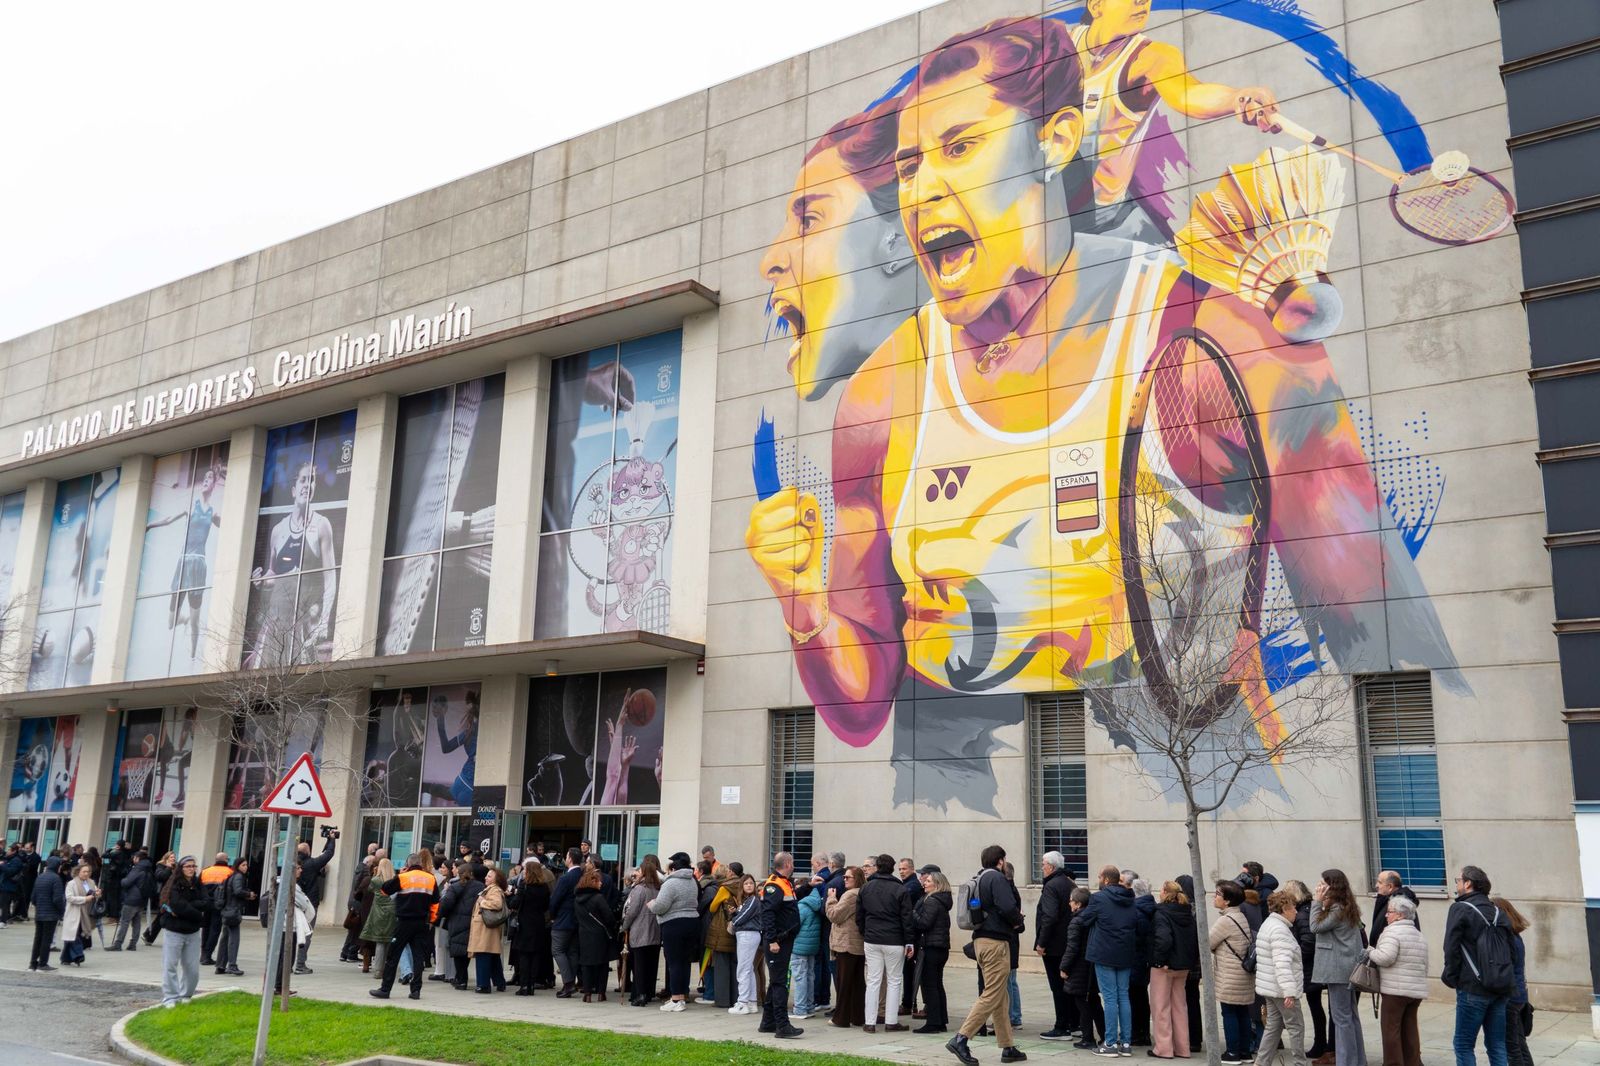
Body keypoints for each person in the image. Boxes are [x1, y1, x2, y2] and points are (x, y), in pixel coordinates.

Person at [948, 844, 1027, 1066]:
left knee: (1001, 996)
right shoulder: (997, 878)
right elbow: (1008, 905)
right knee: (992, 993)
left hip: (982, 941)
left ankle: (1008, 1046)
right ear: (1000, 861)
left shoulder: (981, 877)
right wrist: (1018, 922)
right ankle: (961, 1039)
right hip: (996, 943)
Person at [1442, 866, 1513, 1066]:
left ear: (1468, 884)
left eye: (1458, 880)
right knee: (1497, 1044)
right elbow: (1511, 950)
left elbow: (1451, 948)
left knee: (1463, 1044)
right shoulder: (1498, 911)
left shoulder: (1460, 909)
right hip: (1500, 987)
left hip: (1472, 986)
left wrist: (1452, 977)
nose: (1456, 885)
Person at [1082, 863, 1143, 1057]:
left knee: (1109, 998)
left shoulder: (1098, 898)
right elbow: (1135, 922)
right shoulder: (1130, 899)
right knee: (1123, 996)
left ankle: (1109, 1043)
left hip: (1104, 953)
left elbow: (1084, 920)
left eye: (1100, 877)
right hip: (1125, 953)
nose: (1098, 880)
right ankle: (1125, 1043)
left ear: (1106, 880)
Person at [1310, 870, 1368, 1066]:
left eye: (1323, 883)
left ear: (1331, 886)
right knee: (1350, 1016)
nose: (1319, 886)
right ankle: (1357, 1060)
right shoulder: (1347, 906)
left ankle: (1347, 1062)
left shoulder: (1337, 910)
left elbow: (1315, 927)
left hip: (1338, 969)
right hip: (1347, 968)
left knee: (1341, 1018)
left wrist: (1317, 902)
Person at [1366, 894, 1427, 1066]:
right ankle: (1413, 1063)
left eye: (1390, 912)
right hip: (1415, 991)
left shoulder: (1392, 931)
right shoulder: (1417, 934)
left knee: (1390, 1030)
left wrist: (1370, 951)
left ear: (1400, 915)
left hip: (1395, 991)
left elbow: (1386, 958)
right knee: (1410, 1030)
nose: (1386, 915)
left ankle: (1393, 1063)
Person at [370, 853, 439, 1001]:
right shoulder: (430, 878)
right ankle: (415, 991)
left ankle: (385, 989)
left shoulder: (403, 877)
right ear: (420, 863)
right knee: (418, 957)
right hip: (421, 923)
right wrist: (432, 920)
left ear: (408, 864)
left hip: (404, 922)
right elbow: (435, 904)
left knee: (393, 955)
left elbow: (384, 890)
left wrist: (399, 875)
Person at [859, 853, 913, 1033]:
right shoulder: (900, 889)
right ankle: (891, 1021)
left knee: (873, 980)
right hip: (894, 939)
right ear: (891, 868)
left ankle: (869, 1022)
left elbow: (860, 916)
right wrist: (909, 942)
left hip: (872, 938)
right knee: (894, 980)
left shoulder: (866, 888)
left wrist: (865, 932)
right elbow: (907, 919)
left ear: (878, 867)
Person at [1255, 889, 1309, 1066]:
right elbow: (1282, 963)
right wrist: (1289, 992)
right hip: (1280, 989)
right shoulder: (1280, 931)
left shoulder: (1268, 924)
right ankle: (1299, 1063)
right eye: (1293, 907)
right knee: (1296, 1027)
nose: (1296, 911)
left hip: (1270, 987)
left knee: (1273, 1026)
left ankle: (1262, 1062)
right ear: (1284, 908)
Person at [1149, 880, 1198, 1060]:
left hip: (1165, 966)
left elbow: (1163, 939)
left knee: (1160, 1007)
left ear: (1164, 892)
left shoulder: (1161, 913)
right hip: (1183, 966)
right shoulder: (1188, 913)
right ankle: (1182, 1048)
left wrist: (1158, 960)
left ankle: (1164, 1048)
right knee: (1180, 1007)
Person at [757, 852, 803, 1038]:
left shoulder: (783, 882)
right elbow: (768, 914)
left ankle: (768, 1023)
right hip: (777, 941)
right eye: (792, 862)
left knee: (776, 982)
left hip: (783, 939)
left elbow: (788, 905)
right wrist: (773, 940)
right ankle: (782, 1026)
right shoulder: (774, 886)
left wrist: (807, 886)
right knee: (779, 983)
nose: (793, 865)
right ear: (787, 863)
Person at [1034, 851, 1079, 1041]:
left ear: (1051, 867)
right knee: (1069, 985)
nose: (1042, 867)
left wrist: (1041, 943)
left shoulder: (1052, 886)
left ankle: (1062, 1026)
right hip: (1068, 943)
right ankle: (1075, 1024)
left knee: (1057, 986)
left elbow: (1050, 916)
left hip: (1054, 946)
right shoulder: (1069, 883)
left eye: (1043, 864)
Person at [1209, 881, 1256, 1064]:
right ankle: (1244, 1052)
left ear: (1227, 901)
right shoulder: (1240, 916)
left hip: (1230, 975)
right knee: (1242, 1012)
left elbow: (1208, 942)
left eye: (1218, 894)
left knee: (1228, 1012)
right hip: (1243, 974)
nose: (1215, 897)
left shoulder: (1225, 921)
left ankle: (1232, 1052)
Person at [1283, 879, 1330, 1062]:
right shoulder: (1310, 908)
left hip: (1310, 968)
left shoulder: (1302, 914)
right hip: (1314, 966)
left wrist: (1297, 960)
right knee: (1316, 1006)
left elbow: (1308, 942)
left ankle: (1320, 1044)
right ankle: (1322, 1043)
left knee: (1315, 1006)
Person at [649, 852, 701, 1012]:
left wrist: (652, 904)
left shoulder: (670, 884)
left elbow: (661, 906)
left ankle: (676, 998)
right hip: (692, 922)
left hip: (674, 924)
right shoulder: (692, 880)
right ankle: (682, 996)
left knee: (674, 962)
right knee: (684, 962)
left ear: (673, 868)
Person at [158, 856, 207, 1007]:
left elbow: (207, 902)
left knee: (192, 968)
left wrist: (191, 905)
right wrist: (197, 913)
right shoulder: (174, 884)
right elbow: (178, 905)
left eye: (193, 866)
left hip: (192, 931)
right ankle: (170, 997)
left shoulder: (198, 884)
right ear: (181, 868)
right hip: (175, 930)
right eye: (188, 866)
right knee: (170, 965)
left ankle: (186, 994)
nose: (191, 869)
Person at [1062, 886, 1105, 1050]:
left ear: (1078, 904)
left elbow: (1072, 948)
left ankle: (1087, 1038)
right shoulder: (1094, 919)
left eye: (1071, 901)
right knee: (1094, 1002)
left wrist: (1064, 967)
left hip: (1079, 967)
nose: (1069, 904)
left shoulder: (1076, 921)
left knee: (1082, 1003)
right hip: (1092, 966)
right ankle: (1104, 1035)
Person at [1491, 898, 1532, 1066]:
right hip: (1519, 996)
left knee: (1512, 1047)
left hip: (1510, 997)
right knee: (1519, 1044)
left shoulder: (1507, 939)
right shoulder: (1515, 936)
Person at [826, 865, 868, 1028]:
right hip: (857, 943)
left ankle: (841, 1018)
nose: (844, 880)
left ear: (856, 879)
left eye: (847, 877)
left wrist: (831, 899)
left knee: (844, 982)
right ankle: (858, 1016)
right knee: (857, 982)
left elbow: (835, 915)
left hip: (847, 944)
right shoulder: (862, 893)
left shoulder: (851, 895)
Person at [914, 868, 953, 1035]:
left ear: (937, 885)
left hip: (932, 947)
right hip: (941, 947)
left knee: (930, 985)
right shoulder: (942, 900)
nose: (924, 884)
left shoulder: (931, 901)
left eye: (928, 881)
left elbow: (924, 923)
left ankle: (933, 1022)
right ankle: (940, 1020)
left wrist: (913, 913)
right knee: (937, 984)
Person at [620, 854, 662, 1005]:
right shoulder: (658, 888)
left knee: (639, 966)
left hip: (640, 931)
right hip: (655, 931)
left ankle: (640, 994)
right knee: (651, 965)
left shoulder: (639, 889)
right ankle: (648, 992)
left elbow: (631, 911)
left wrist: (624, 926)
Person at [293, 835, 336, 973]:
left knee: (292, 934)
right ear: (308, 852)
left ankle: (289, 964)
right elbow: (328, 854)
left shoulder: (294, 862)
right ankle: (300, 964)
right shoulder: (311, 864)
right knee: (306, 934)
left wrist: (328, 840)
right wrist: (332, 840)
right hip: (308, 904)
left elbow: (323, 856)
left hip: (294, 904)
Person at [572, 866, 613, 1002]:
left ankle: (587, 993)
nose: (601, 883)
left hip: (584, 934)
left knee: (586, 964)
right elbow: (609, 917)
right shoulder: (598, 898)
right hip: (599, 934)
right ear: (593, 882)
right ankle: (601, 993)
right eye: (598, 881)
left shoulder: (577, 899)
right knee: (602, 964)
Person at [439, 861, 482, 989]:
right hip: (473, 921)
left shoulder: (455, 886)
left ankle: (461, 979)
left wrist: (442, 915)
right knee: (466, 951)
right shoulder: (480, 886)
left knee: (458, 951)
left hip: (457, 921)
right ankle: (460, 978)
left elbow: (446, 903)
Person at [792, 863, 826, 1020]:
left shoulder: (802, 906)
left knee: (800, 977)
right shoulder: (816, 903)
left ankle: (800, 1009)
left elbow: (795, 926)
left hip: (799, 946)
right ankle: (810, 1006)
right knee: (810, 976)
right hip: (812, 946)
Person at [549, 847, 583, 997]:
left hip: (563, 920)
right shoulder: (582, 875)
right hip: (577, 920)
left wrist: (553, 915)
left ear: (569, 859)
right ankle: (572, 981)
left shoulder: (565, 878)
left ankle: (568, 983)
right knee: (573, 951)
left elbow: (555, 900)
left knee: (558, 950)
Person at [727, 872, 763, 1014]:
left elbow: (743, 917)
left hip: (748, 934)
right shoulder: (747, 900)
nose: (749, 885)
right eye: (746, 883)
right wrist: (736, 913)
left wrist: (734, 921)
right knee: (748, 969)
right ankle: (752, 1002)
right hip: (747, 934)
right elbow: (743, 915)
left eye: (751, 883)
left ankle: (742, 1002)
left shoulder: (753, 900)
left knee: (743, 969)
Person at [109, 849, 155, 951]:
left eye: (134, 857)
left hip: (132, 898)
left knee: (124, 921)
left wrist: (122, 880)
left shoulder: (138, 869)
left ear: (137, 858)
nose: (133, 859)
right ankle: (133, 944)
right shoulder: (148, 868)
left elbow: (126, 882)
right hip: (142, 899)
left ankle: (118, 943)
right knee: (136, 922)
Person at [214, 857, 252, 976]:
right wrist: (248, 894)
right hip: (233, 911)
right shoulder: (239, 876)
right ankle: (232, 965)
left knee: (225, 938)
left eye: (246, 865)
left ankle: (220, 965)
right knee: (234, 939)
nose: (245, 867)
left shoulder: (231, 876)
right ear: (238, 866)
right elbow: (238, 891)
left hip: (227, 910)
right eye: (243, 865)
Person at [359, 857, 397, 975]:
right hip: (391, 911)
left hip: (378, 912)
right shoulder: (394, 880)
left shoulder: (376, 880)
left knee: (380, 941)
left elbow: (370, 889)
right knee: (388, 941)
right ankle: (385, 968)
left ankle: (378, 970)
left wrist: (375, 873)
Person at [340, 846, 378, 963]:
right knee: (357, 929)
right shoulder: (365, 872)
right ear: (368, 863)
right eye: (373, 863)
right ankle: (351, 952)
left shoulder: (359, 868)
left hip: (355, 900)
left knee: (353, 929)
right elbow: (359, 888)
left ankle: (345, 952)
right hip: (358, 902)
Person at [27, 855, 66, 971]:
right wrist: (62, 911)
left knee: (38, 938)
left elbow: (33, 898)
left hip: (39, 913)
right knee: (46, 939)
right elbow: (58, 899)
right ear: (57, 866)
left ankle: (33, 963)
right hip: (51, 914)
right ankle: (43, 963)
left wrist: (39, 906)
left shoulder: (40, 877)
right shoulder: (56, 879)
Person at [197, 852, 232, 967]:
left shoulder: (205, 871)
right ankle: (207, 955)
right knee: (215, 930)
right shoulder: (229, 872)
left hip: (206, 904)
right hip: (219, 904)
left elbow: (197, 887)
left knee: (206, 928)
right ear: (226, 860)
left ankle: (203, 954)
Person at [60, 862, 97, 966]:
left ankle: (65, 958)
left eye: (88, 871)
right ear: (78, 872)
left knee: (72, 936)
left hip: (86, 913)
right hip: (74, 912)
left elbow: (94, 894)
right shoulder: (72, 883)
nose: (86, 874)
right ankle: (78, 955)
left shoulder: (91, 882)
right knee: (74, 934)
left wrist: (97, 894)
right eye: (84, 871)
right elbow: (69, 898)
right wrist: (85, 899)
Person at [1370, 871, 1420, 948]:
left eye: (1380, 882)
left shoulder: (1399, 906)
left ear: (1390, 887)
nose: (1376, 885)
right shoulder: (1387, 901)